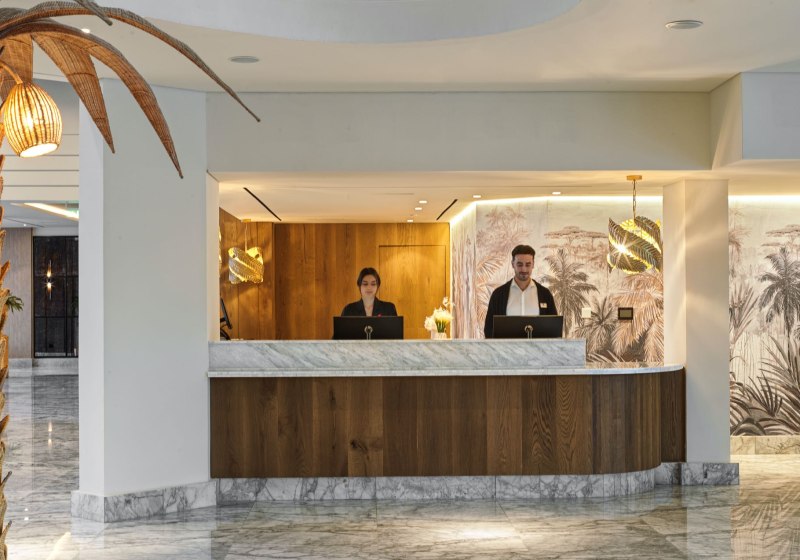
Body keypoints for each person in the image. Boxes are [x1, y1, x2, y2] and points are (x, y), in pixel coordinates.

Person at [483, 244, 557, 338]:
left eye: (528, 264)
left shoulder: (545, 295)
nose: (524, 269)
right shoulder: (498, 295)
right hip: (507, 348)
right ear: (512, 264)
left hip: (538, 348)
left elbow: (554, 329)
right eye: (519, 264)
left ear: (533, 264)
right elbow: (489, 329)